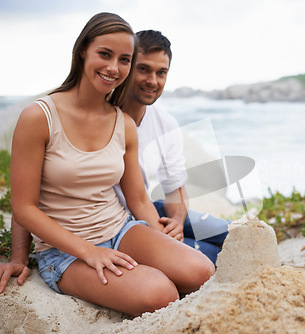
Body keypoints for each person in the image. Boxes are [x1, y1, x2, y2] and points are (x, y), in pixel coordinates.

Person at [8, 12, 214, 316]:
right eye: (105, 54)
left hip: (121, 229)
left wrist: (163, 245)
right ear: (82, 51)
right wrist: (23, 257)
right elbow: (24, 207)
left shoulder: (123, 123)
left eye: (124, 59)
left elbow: (139, 199)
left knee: (201, 271)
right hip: (65, 250)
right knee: (161, 292)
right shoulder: (39, 117)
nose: (113, 68)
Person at [113, 29, 230, 265]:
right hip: (122, 221)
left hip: (150, 209)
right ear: (127, 66)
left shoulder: (165, 123)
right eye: (143, 69)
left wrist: (176, 221)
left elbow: (175, 187)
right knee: (212, 255)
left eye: (161, 72)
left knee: (233, 234)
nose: (152, 81)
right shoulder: (104, 117)